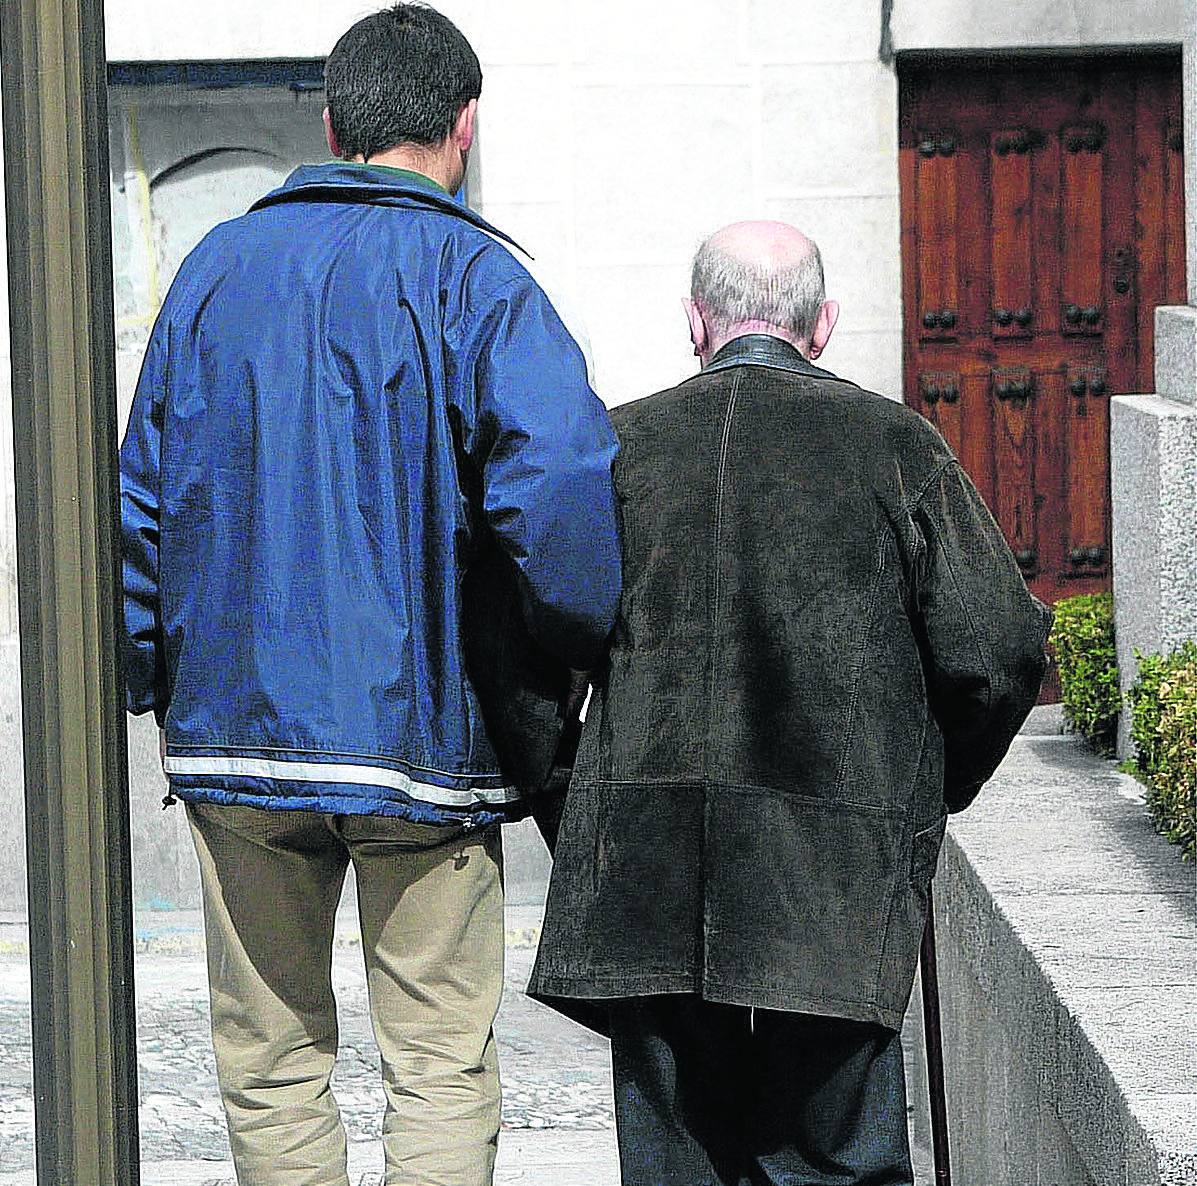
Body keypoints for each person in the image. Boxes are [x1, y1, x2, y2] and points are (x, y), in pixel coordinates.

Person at [119, 6, 620, 1185]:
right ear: (464, 124)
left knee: (271, 1061)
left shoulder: (213, 270)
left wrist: (151, 675)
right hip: (421, 743)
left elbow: (143, 493)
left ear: (332, 123)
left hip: (237, 738)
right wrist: (571, 654)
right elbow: (560, 489)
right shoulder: (478, 277)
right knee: (438, 1061)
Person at [528, 221, 1052, 1186]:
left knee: (676, 1164)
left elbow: (532, 661)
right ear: (823, 323)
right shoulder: (893, 443)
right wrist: (929, 788)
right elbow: (1003, 651)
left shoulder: (616, 449)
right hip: (833, 878)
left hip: (649, 870)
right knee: (841, 1164)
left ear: (695, 321)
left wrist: (576, 805)